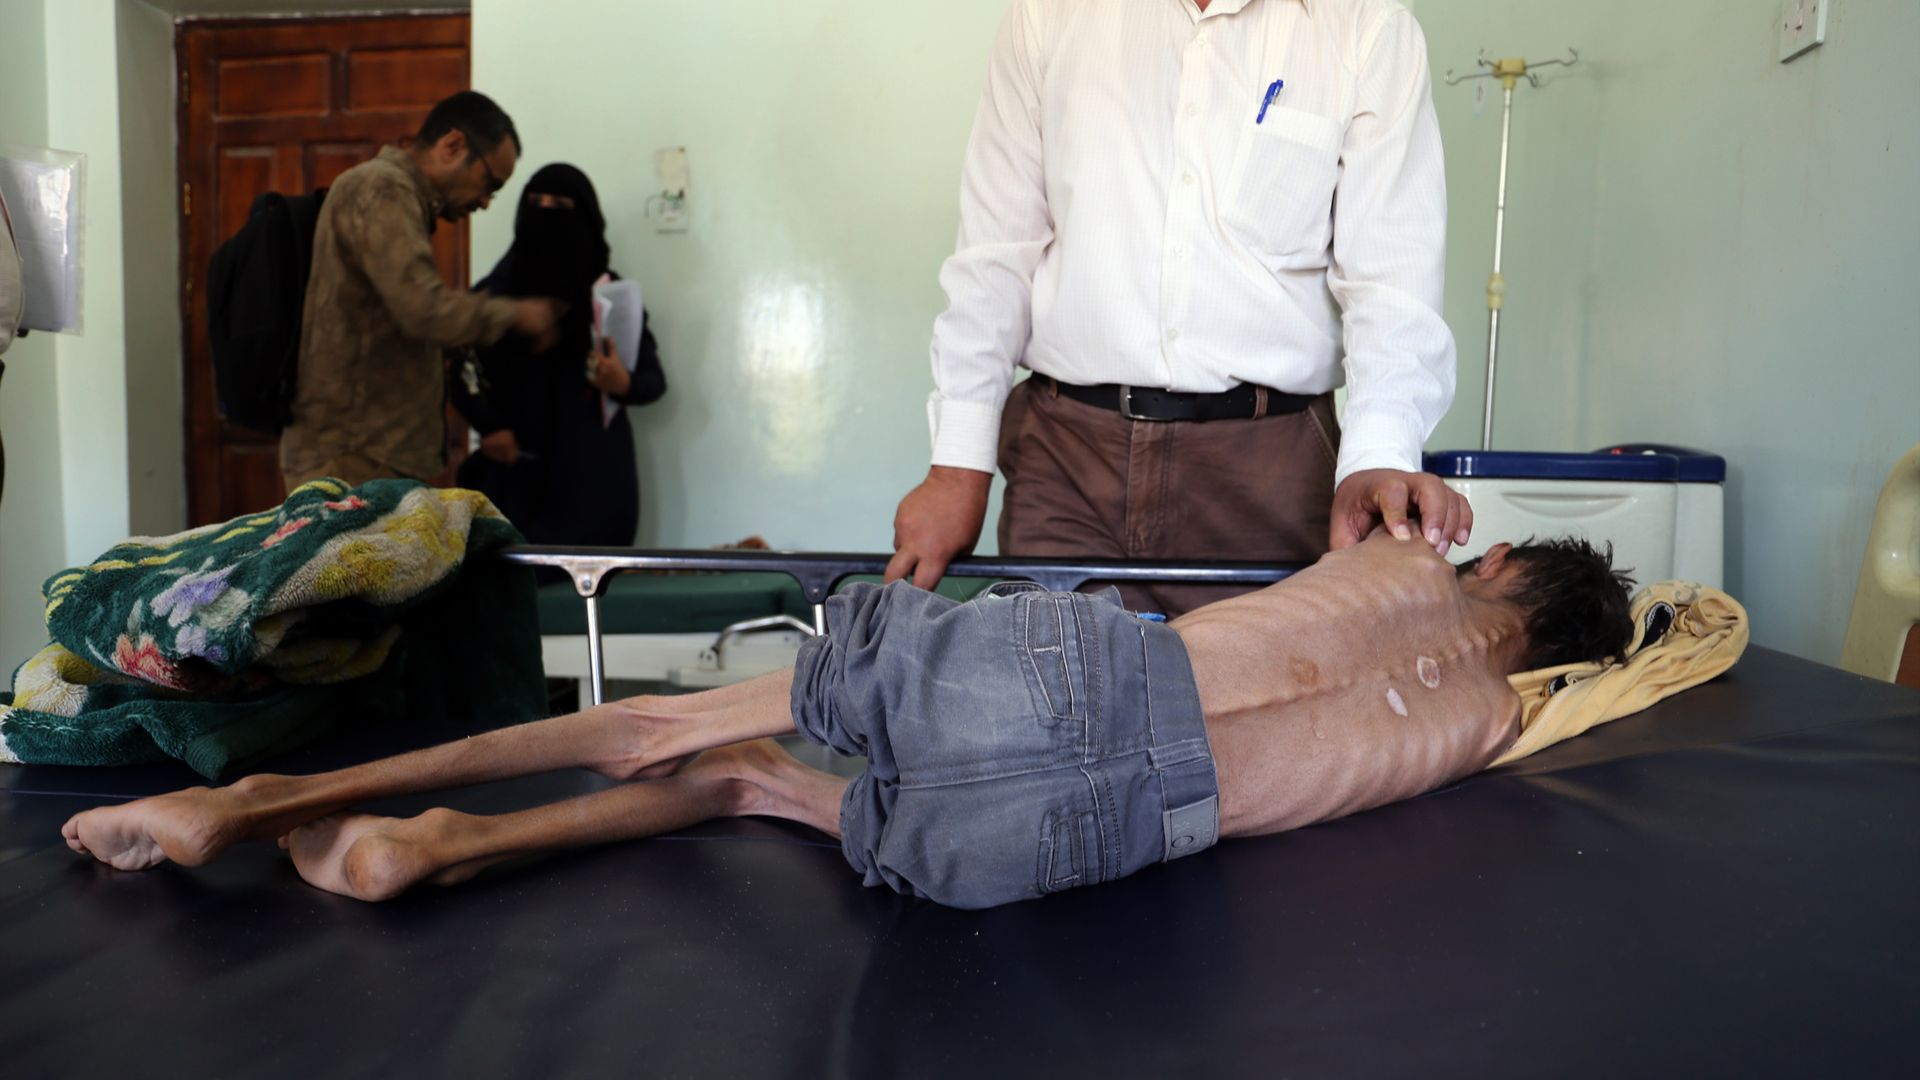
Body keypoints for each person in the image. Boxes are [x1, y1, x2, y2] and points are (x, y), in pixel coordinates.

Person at [61, 532, 1633, 909]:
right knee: (751, 789)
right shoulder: (1499, 725)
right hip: (1101, 837)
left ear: (1495, 559)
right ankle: (441, 850)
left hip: (1094, 681)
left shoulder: (1403, 560)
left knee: (651, 725)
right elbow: (1698, 642)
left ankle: (260, 800)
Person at [886, 0, 1472, 616]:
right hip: (1068, 461)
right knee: (1050, 697)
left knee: (1254, 702)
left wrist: (1378, 460)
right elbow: (996, 252)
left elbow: (1390, 283)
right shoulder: (1049, 13)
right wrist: (958, 467)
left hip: (1270, 469)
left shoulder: (1367, 27)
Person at [280, 90, 563, 492]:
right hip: (353, 461)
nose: (485, 202)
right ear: (452, 145)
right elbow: (423, 309)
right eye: (489, 183)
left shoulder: (398, 196)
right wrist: (517, 315)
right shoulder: (382, 189)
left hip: (372, 456)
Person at [451, 164, 666, 546]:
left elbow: (653, 382)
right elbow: (456, 366)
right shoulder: (496, 294)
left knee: (590, 592)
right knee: (514, 587)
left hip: (594, 483)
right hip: (512, 476)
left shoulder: (609, 296)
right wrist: (489, 425)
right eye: (536, 203)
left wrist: (622, 382)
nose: (546, 213)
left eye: (560, 204)